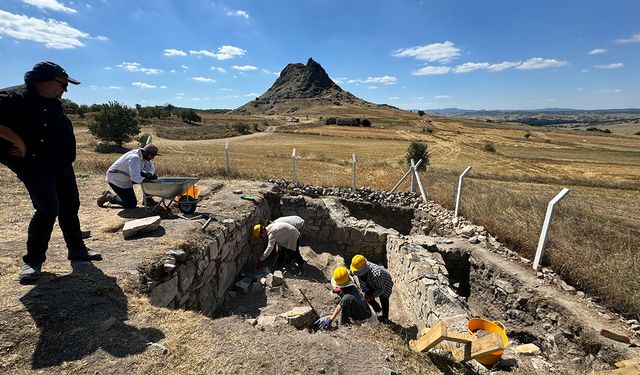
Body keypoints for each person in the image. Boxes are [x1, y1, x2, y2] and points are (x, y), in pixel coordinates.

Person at [0, 61, 102, 282]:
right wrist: (20, 142)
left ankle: (77, 250)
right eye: (63, 84)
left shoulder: (53, 102)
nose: (65, 89)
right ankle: (32, 262)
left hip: (61, 164)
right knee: (47, 208)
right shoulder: (12, 97)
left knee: (70, 205)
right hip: (35, 165)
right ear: (44, 79)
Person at [97, 144, 159, 208]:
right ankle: (109, 196)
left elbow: (151, 167)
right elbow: (134, 176)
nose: (153, 157)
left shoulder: (143, 156)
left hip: (126, 176)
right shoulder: (135, 158)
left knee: (152, 177)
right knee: (130, 204)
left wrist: (149, 173)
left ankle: (148, 199)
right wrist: (144, 180)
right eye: (152, 155)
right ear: (146, 153)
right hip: (116, 178)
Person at [350, 254, 394, 322]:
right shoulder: (358, 268)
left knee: (384, 300)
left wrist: (372, 296)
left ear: (363, 269)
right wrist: (364, 292)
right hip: (372, 282)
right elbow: (356, 277)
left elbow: (380, 289)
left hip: (384, 285)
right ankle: (377, 309)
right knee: (366, 296)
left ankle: (385, 318)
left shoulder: (377, 274)